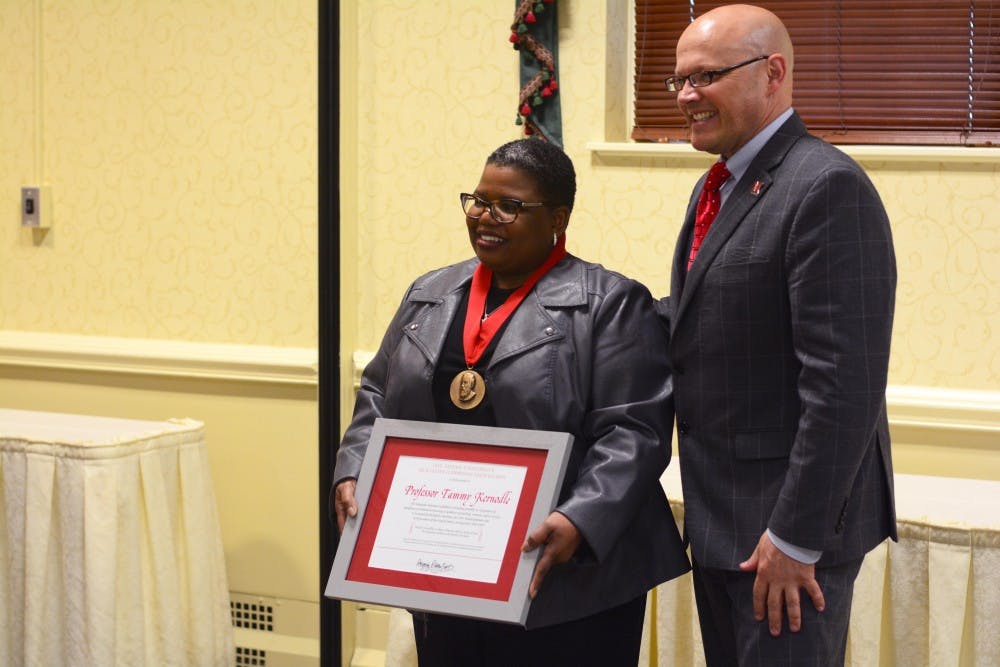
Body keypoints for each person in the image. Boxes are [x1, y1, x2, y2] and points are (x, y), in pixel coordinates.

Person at [332, 138, 689, 666]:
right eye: (477, 200)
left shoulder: (608, 303)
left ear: (558, 217)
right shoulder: (430, 292)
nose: (484, 217)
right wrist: (354, 468)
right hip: (448, 567)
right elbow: (379, 393)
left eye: (509, 206)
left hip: (570, 583)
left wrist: (579, 519)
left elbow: (635, 431)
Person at [662, 5, 897, 666]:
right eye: (678, 80)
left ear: (774, 74)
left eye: (704, 76)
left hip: (785, 540)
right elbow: (706, 314)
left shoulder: (825, 187)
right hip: (721, 520)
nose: (685, 95)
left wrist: (796, 537)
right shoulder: (721, 184)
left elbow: (845, 386)